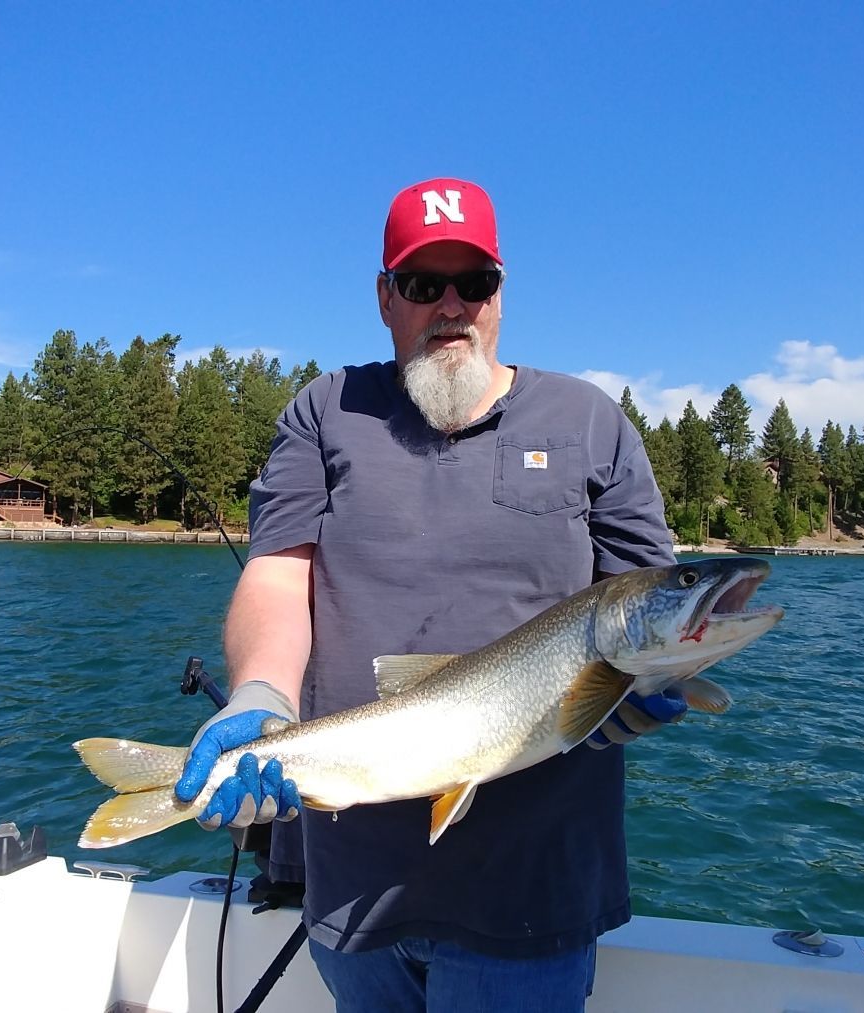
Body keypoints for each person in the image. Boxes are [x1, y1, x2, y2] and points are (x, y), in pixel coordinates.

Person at [174, 177, 687, 1011]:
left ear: (500, 293)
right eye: (422, 284)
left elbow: (648, 598)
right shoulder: (325, 410)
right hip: (350, 889)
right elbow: (279, 569)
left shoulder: (593, 421)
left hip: (535, 895)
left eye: (472, 282)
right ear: (385, 298)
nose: (451, 306)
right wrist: (261, 688)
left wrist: (649, 681)